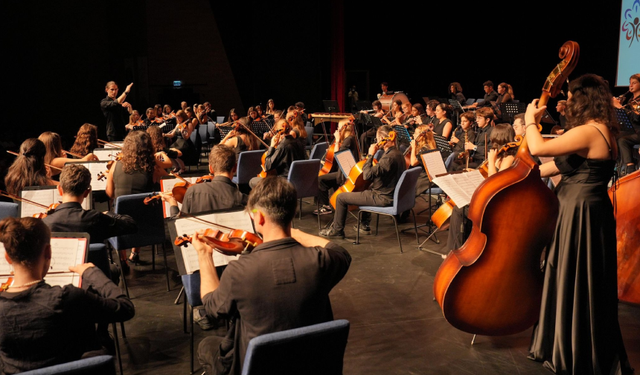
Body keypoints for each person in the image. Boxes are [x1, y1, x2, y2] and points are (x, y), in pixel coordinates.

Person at [525, 73, 633, 375]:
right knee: (583, 279)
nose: (567, 100)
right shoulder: (603, 130)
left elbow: (539, 148)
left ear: (583, 98)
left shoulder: (589, 131)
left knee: (573, 274)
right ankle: (571, 343)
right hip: (591, 210)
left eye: (571, 95)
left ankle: (569, 350)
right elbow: (560, 164)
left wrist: (530, 120)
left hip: (579, 212)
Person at [192, 176, 351, 374]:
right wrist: (294, 233)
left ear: (259, 218)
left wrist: (203, 255)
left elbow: (211, 306)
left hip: (261, 367)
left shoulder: (239, 272)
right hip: (311, 364)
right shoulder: (321, 261)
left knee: (206, 346)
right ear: (293, 212)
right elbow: (340, 251)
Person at [0, 216, 135, 374]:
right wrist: (92, 272)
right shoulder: (68, 298)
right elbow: (125, 307)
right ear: (48, 252)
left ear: (7, 257)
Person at [320, 125, 405, 238]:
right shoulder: (398, 154)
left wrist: (370, 155)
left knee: (341, 197)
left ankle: (337, 231)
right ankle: (364, 225)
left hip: (383, 197)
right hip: (390, 194)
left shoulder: (388, 158)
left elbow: (367, 175)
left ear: (382, 139)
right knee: (367, 188)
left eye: (377, 139)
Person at [446, 123, 516, 251]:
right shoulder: (500, 154)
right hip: (490, 198)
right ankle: (461, 247)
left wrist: (492, 161)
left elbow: (496, 182)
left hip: (497, 203)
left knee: (459, 210)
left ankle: (456, 250)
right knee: (460, 206)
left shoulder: (509, 158)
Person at [105, 130, 156, 265]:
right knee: (140, 208)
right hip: (147, 225)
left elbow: (109, 194)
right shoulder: (152, 167)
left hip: (120, 224)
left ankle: (122, 259)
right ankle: (135, 253)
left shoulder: (116, 165)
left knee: (117, 208)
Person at [316, 119, 359, 215]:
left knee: (320, 180)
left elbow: (339, 155)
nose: (336, 130)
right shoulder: (351, 138)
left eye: (338, 128)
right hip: (345, 171)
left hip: (345, 174)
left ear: (344, 129)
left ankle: (326, 206)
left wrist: (338, 140)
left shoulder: (349, 140)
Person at [248, 119, 307, 189]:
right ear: (290, 129)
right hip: (299, 181)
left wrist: (272, 146)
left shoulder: (283, 146)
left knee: (252, 181)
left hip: (284, 183)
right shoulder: (299, 142)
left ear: (278, 132)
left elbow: (267, 166)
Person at [451, 107, 494, 171]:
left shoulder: (492, 132)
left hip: (482, 162)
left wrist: (474, 147)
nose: (477, 120)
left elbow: (490, 150)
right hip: (474, 159)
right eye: (477, 118)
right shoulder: (479, 130)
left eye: (480, 118)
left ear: (487, 120)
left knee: (459, 168)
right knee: (452, 163)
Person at [614, 73, 640, 176]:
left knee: (622, 140)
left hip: (638, 131)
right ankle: (617, 165)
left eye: (634, 83)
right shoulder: (631, 100)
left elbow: (637, 118)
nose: (631, 86)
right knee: (612, 134)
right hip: (632, 130)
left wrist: (620, 107)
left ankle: (630, 168)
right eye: (630, 83)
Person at [409, 125, 438, 196]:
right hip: (425, 174)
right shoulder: (427, 145)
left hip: (427, 177)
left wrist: (413, 148)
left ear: (422, 136)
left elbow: (413, 163)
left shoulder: (425, 149)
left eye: (416, 133)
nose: (413, 135)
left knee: (409, 184)